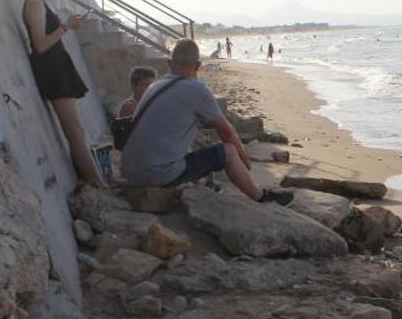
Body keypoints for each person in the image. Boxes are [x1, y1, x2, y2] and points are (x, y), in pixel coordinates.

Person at [119, 39, 293, 205]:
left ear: (169, 64)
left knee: (185, 145)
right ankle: (260, 196)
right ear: (198, 66)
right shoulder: (196, 89)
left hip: (130, 171)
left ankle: (201, 183)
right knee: (228, 151)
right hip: (156, 175)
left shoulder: (154, 86)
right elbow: (227, 131)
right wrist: (245, 160)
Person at [23, 0, 106, 187]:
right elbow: (40, 45)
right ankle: (98, 184)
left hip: (58, 69)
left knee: (76, 131)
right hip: (52, 71)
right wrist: (67, 26)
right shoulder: (34, 3)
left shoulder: (40, 2)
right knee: (76, 132)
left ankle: (91, 180)